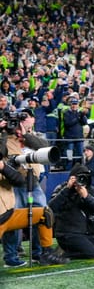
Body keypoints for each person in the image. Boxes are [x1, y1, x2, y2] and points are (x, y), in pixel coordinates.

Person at [0, 143, 69, 267]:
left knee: (45, 213)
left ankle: (46, 254)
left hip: (7, 215)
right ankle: (11, 256)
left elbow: (18, 180)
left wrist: (4, 167)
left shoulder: (3, 166)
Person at [2, 111, 54, 267]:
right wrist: (2, 132)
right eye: (13, 122)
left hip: (34, 182)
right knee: (12, 219)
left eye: (19, 121)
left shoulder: (30, 137)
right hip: (12, 184)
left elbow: (45, 147)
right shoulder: (3, 138)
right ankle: (11, 257)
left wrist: (25, 135)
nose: (15, 125)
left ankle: (40, 253)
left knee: (43, 215)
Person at [49, 165, 94, 258]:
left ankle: (68, 250)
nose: (81, 180)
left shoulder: (91, 190)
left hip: (87, 233)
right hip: (68, 233)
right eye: (79, 177)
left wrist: (86, 196)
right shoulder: (62, 188)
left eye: (84, 177)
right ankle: (62, 253)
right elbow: (51, 207)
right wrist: (67, 190)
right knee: (93, 254)